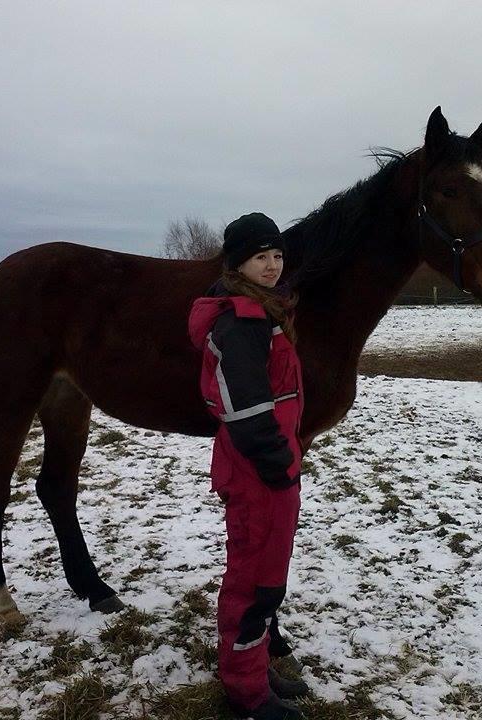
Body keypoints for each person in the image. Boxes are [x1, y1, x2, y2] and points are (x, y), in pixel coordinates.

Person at [188, 213, 309, 720]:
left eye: (277, 256)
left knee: (268, 580)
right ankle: (245, 693)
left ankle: (254, 670)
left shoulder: (265, 312)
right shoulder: (240, 321)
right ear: (239, 263)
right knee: (251, 582)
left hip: (271, 469)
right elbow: (247, 409)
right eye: (261, 257)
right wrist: (279, 462)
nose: (272, 265)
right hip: (257, 471)